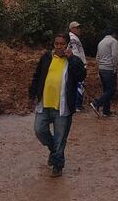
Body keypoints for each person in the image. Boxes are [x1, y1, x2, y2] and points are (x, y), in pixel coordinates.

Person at [28, 33, 86, 177]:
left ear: (67, 45)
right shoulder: (47, 57)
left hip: (63, 107)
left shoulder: (73, 60)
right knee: (39, 130)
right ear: (53, 45)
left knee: (60, 138)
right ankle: (54, 151)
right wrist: (32, 96)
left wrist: (72, 58)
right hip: (45, 103)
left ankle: (57, 165)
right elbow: (37, 76)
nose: (59, 46)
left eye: (62, 44)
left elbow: (81, 76)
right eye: (56, 44)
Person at [90, 29, 118, 117]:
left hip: (102, 69)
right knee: (111, 90)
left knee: (106, 90)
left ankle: (106, 111)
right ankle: (96, 102)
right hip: (109, 68)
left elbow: (97, 57)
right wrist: (115, 67)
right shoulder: (113, 41)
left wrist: (100, 66)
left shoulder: (101, 42)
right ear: (113, 33)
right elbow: (114, 55)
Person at [68, 21, 87, 112]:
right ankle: (77, 105)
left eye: (79, 27)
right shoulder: (72, 38)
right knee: (79, 85)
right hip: (77, 65)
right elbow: (75, 53)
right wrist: (80, 65)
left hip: (78, 64)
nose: (79, 29)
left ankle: (77, 104)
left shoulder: (75, 37)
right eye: (76, 28)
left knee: (79, 85)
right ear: (71, 29)